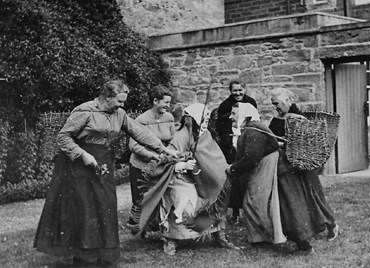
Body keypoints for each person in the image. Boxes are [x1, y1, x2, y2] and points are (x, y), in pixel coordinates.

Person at [33, 80, 178, 267]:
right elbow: (63, 137)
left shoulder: (120, 114)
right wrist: (82, 155)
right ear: (108, 97)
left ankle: (105, 255)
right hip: (78, 166)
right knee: (85, 208)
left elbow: (139, 132)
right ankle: (83, 257)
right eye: (120, 101)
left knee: (106, 206)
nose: (122, 105)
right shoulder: (84, 111)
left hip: (103, 163)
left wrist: (163, 150)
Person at [132, 103, 239, 256]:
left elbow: (213, 158)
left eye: (208, 118)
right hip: (180, 178)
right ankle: (171, 239)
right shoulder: (180, 136)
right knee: (183, 203)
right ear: (191, 120)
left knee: (219, 195)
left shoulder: (206, 135)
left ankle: (218, 235)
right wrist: (181, 164)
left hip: (205, 179)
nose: (206, 121)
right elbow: (166, 160)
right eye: (203, 118)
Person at [269, 88, 340, 254]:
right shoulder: (277, 118)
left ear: (287, 101)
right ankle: (309, 229)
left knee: (314, 195)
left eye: (277, 104)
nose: (275, 108)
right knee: (301, 199)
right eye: (273, 105)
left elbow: (303, 143)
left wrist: (280, 144)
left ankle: (332, 224)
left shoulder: (298, 119)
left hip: (302, 164)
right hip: (287, 164)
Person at [225, 103, 287, 246]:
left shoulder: (254, 130)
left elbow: (251, 157)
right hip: (263, 166)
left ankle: (268, 236)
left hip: (266, 167)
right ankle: (260, 237)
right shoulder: (250, 128)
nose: (230, 117)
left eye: (234, 114)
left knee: (256, 202)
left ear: (244, 115)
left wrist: (233, 169)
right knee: (252, 202)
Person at [127, 85, 176, 231]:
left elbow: (172, 139)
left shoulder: (169, 117)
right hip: (142, 164)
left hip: (161, 163)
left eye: (169, 102)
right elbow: (134, 146)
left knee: (160, 195)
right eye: (166, 102)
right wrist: (154, 156)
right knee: (141, 198)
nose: (168, 106)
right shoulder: (142, 120)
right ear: (155, 101)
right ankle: (136, 226)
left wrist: (170, 153)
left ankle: (157, 224)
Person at [216, 80, 257, 224]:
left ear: (245, 89)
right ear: (230, 91)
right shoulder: (225, 106)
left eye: (240, 90)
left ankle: (249, 211)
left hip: (246, 144)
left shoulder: (251, 103)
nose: (238, 93)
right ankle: (234, 213)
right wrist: (229, 143)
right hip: (231, 147)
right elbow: (221, 129)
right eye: (235, 91)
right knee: (234, 182)